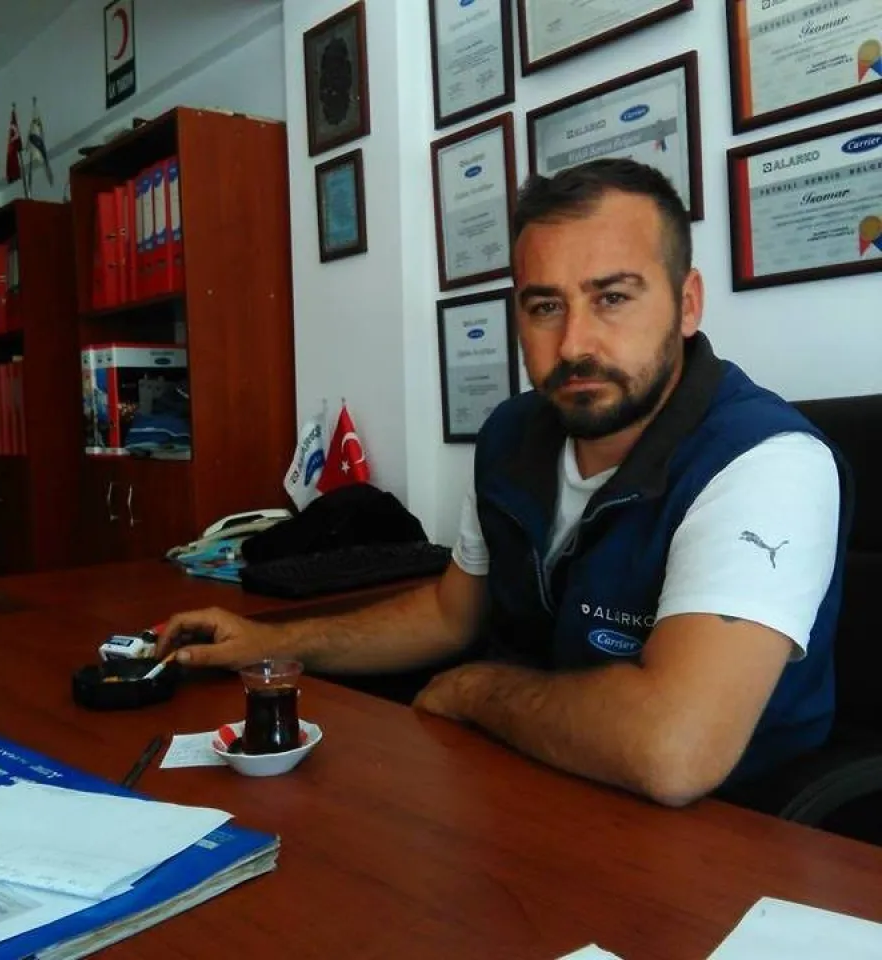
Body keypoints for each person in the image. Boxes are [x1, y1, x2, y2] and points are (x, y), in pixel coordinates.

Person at [160, 159, 849, 808]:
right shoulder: (513, 434)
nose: (574, 344)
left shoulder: (766, 462)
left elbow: (673, 749)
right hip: (533, 775)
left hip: (724, 829)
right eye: (545, 306)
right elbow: (448, 614)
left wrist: (476, 691)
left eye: (612, 298)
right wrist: (270, 643)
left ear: (687, 303)